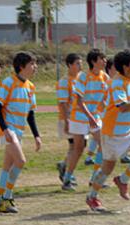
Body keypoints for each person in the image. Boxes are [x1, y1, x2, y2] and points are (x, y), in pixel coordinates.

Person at [86, 49, 130, 212]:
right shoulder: (117, 83)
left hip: (128, 131)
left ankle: (122, 180)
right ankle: (92, 196)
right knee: (107, 169)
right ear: (124, 67)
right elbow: (122, 107)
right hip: (112, 135)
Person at [0, 51, 41, 214]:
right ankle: (7, 197)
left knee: (7, 167)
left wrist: (36, 136)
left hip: (18, 131)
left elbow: (31, 114)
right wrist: (5, 130)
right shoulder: (8, 82)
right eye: (32, 64)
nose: (35, 67)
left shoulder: (30, 86)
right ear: (21, 67)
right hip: (8, 130)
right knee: (20, 162)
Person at [62, 48, 109, 191]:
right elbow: (80, 101)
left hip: (93, 117)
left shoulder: (105, 77)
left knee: (104, 144)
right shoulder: (83, 77)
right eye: (102, 58)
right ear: (94, 61)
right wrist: (90, 117)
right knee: (78, 149)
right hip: (79, 117)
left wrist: (101, 113)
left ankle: (95, 178)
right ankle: (67, 178)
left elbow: (106, 99)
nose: (105, 61)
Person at [56, 53, 81, 185]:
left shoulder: (81, 79)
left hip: (79, 119)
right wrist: (66, 121)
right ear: (70, 65)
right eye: (77, 63)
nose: (80, 66)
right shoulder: (64, 81)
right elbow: (63, 103)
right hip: (69, 118)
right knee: (75, 146)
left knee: (79, 146)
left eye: (80, 63)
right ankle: (67, 174)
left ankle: (64, 165)